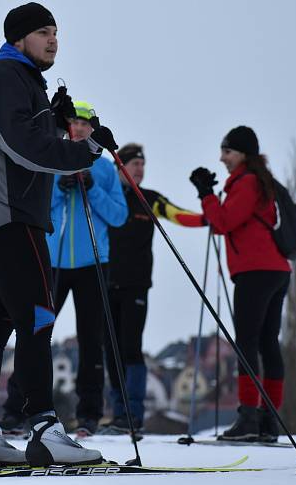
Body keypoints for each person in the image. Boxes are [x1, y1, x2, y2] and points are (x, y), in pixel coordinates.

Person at [0, 2, 117, 467]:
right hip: (7, 217)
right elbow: (20, 146)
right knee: (39, 318)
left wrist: (52, 117)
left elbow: (23, 134)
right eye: (43, 32)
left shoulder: (19, 80)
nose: (53, 40)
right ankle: (45, 429)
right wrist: (86, 150)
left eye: (57, 33)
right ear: (19, 38)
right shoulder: (7, 73)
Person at [0, 101, 128, 438]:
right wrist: (61, 186)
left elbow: (119, 216)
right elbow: (36, 205)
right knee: (36, 332)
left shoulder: (103, 169)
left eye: (86, 125)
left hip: (92, 264)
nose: (80, 129)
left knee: (90, 340)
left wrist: (92, 189)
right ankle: (16, 411)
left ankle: (89, 416)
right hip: (52, 263)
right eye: (74, 123)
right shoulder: (52, 162)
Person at [189, 125, 291, 443]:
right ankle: (269, 421)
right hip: (275, 270)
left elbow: (222, 223)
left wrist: (206, 194)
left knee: (247, 343)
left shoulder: (246, 183)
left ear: (243, 154)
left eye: (227, 151)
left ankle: (249, 418)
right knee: (267, 343)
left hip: (255, 271)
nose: (222, 158)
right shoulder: (260, 182)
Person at [102, 142, 204, 435]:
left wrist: (208, 218)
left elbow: (176, 214)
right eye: (134, 164)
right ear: (120, 167)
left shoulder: (148, 199)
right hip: (104, 283)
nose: (140, 169)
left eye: (143, 165)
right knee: (110, 352)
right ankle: (117, 413)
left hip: (136, 285)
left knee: (131, 349)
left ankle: (133, 415)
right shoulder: (105, 197)